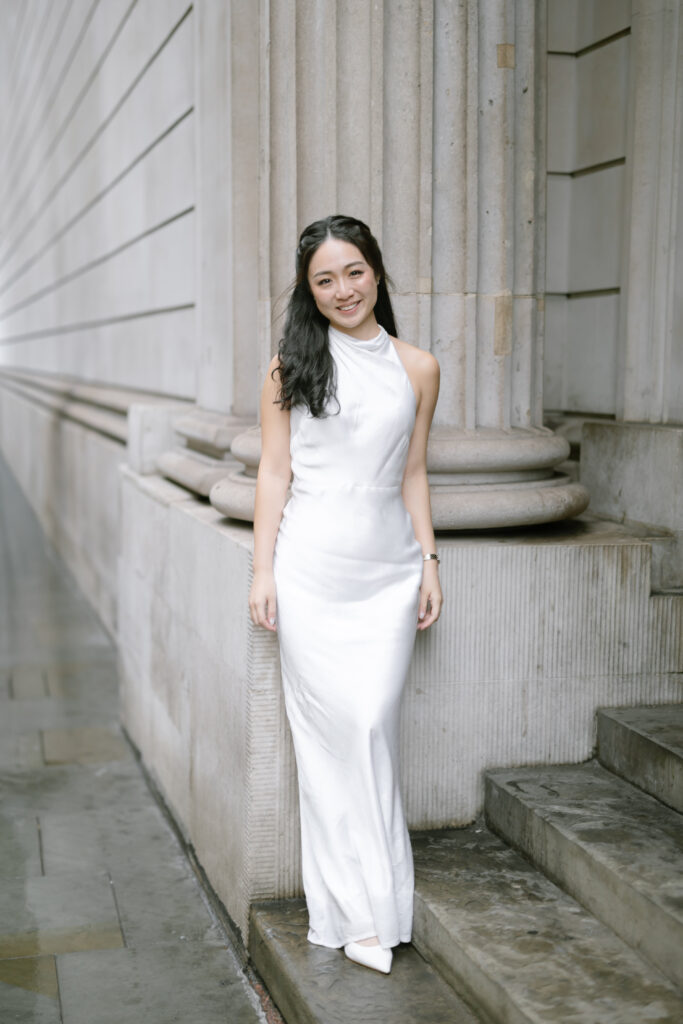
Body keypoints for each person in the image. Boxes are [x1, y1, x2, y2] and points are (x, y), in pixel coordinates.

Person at [249, 214, 442, 975]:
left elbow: (414, 472)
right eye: (324, 279)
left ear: (376, 271)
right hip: (310, 571)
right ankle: (355, 914)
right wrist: (262, 571)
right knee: (330, 745)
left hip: (387, 573)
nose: (342, 290)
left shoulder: (418, 366)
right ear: (309, 289)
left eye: (353, 272)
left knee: (371, 728)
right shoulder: (289, 366)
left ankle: (380, 902)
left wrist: (429, 561)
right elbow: (273, 473)